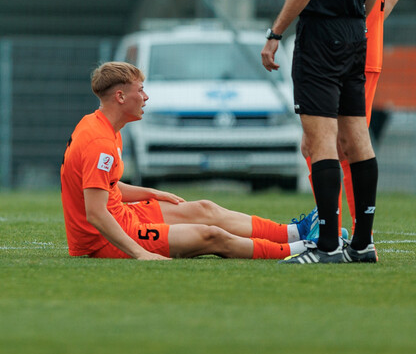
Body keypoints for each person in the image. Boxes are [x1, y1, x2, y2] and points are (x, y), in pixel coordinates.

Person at [61, 62, 313, 260]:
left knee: (205, 209)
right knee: (211, 236)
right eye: (140, 90)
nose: (146, 97)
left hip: (124, 215)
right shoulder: (101, 143)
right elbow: (95, 212)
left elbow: (104, 186)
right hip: (104, 239)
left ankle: (294, 232)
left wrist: (150, 192)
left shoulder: (102, 126)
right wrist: (141, 252)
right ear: (120, 96)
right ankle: (303, 248)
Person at [262, 0, 381, 264]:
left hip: (321, 36)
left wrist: (276, 32)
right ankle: (363, 244)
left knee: (320, 141)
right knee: (358, 137)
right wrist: (357, 21)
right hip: (354, 33)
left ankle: (328, 245)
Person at [297, 0, 399, 233]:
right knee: (323, 144)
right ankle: (341, 230)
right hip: (356, 47)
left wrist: (357, 27)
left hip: (348, 50)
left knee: (337, 146)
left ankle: (341, 231)